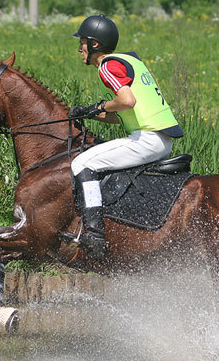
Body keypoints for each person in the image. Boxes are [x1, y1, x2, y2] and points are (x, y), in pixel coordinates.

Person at [65, 14, 184, 260]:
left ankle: (95, 235)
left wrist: (99, 106)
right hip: (159, 138)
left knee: (82, 163)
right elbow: (122, 112)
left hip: (149, 139)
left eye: (83, 43)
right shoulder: (128, 60)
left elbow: (126, 101)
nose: (79, 48)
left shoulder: (107, 66)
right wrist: (91, 113)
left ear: (95, 44)